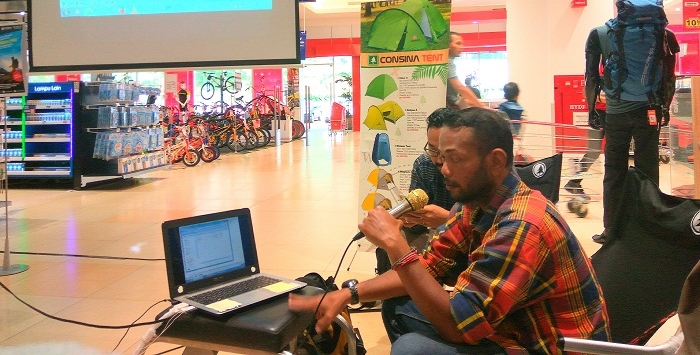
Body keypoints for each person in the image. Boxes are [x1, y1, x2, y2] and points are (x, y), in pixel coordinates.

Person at [289, 108, 610, 355]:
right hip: (511, 323)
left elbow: (460, 327)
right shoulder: (475, 201)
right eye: (439, 157)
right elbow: (428, 266)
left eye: (454, 159)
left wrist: (397, 246)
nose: (443, 169)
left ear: (496, 161)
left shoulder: (521, 224)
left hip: (545, 346)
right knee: (399, 306)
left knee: (410, 349)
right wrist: (346, 293)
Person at [584, 24, 679, 243]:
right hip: (649, 110)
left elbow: (591, 76)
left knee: (614, 169)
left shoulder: (599, 33)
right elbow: (669, 77)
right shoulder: (665, 34)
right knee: (648, 168)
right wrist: (665, 107)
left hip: (616, 111)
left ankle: (611, 230)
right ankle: (651, 226)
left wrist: (591, 109)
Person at [375, 108, 458, 275]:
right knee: (390, 241)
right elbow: (416, 227)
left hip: (466, 238)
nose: (439, 159)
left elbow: (484, 226)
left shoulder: (473, 170)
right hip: (431, 234)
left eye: (445, 152)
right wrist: (410, 219)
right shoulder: (424, 165)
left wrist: (448, 219)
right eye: (433, 149)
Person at [447, 32, 486, 110]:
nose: (461, 47)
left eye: (462, 44)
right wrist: (482, 106)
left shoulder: (447, 62)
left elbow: (451, 96)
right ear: (448, 45)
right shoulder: (447, 62)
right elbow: (460, 87)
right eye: (458, 43)